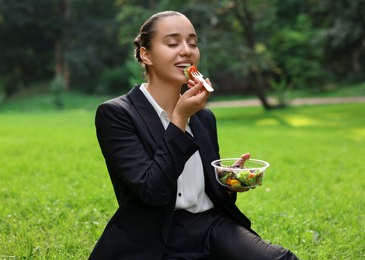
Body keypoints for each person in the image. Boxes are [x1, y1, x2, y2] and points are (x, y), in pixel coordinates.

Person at [89, 10, 299, 260]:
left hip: (212, 226)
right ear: (146, 55)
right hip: (154, 236)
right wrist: (179, 119)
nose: (187, 50)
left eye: (193, 42)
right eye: (173, 42)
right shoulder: (116, 114)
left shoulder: (203, 117)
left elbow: (211, 194)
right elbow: (152, 192)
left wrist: (229, 182)